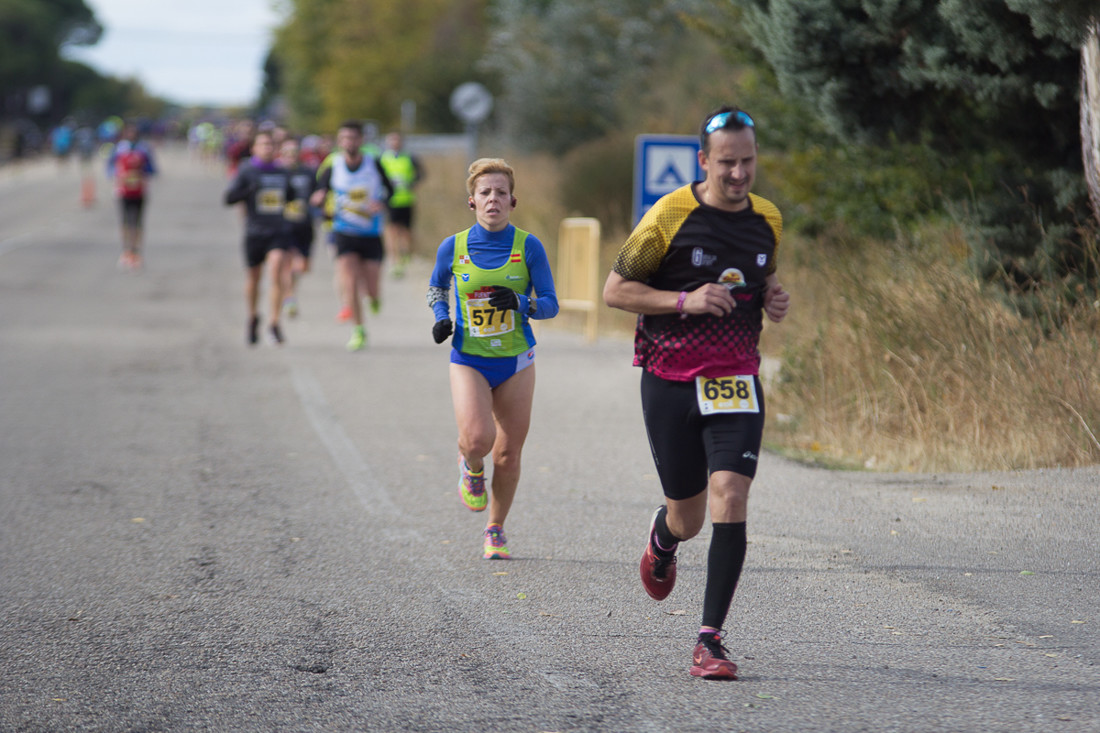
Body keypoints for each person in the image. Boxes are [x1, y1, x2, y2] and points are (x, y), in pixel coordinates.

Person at [603, 106, 790, 680]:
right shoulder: (670, 214)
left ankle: (710, 640)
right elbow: (616, 290)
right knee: (688, 517)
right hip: (670, 381)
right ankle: (663, 539)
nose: (739, 174)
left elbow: (763, 275)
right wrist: (684, 300)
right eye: (727, 163)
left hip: (735, 380)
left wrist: (775, 297)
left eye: (748, 161)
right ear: (704, 161)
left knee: (730, 494)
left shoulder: (768, 219)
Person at [427, 158, 560, 560]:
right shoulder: (454, 246)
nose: (493, 199)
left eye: (501, 193)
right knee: (479, 440)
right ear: (472, 201)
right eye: (485, 192)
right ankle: (469, 464)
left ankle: (495, 529)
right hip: (469, 357)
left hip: (517, 360)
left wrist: (520, 302)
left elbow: (552, 304)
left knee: (508, 453)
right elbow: (437, 287)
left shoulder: (528, 247)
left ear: (512, 201)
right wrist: (441, 318)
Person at [309, 120, 393, 351]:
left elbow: (391, 190)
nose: (349, 142)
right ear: (339, 141)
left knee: (372, 286)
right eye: (345, 138)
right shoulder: (333, 165)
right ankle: (359, 330)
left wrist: (382, 203)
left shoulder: (373, 163)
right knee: (349, 281)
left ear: (361, 140)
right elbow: (319, 192)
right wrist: (318, 201)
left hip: (371, 232)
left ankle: (375, 298)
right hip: (343, 231)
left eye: (353, 138)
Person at [224, 130, 294, 346]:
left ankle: (274, 323)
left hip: (278, 231)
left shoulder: (282, 172)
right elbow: (228, 198)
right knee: (254, 278)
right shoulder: (247, 171)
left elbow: (291, 196)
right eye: (263, 144)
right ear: (254, 148)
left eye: (271, 145)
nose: (268, 148)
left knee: (276, 271)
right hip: (255, 232)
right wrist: (249, 191)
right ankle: (253, 316)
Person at [106, 124, 157, 270]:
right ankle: (126, 251)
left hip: (140, 191)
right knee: (125, 222)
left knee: (138, 222)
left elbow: (152, 168)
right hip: (123, 191)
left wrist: (140, 174)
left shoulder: (144, 149)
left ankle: (136, 252)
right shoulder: (119, 149)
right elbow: (110, 166)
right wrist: (118, 176)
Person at [278, 137, 318, 319]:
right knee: (288, 264)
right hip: (284, 226)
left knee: (302, 267)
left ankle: (289, 292)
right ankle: (289, 298)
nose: (291, 157)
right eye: (287, 153)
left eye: (294, 153)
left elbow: (318, 195)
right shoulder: (277, 174)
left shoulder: (308, 173)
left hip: (305, 225)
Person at [379, 131, 423, 278]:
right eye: (392, 140)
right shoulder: (382, 159)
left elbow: (421, 174)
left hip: (407, 199)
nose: (395, 143)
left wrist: (412, 183)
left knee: (406, 232)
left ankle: (405, 255)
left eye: (397, 140)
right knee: (392, 231)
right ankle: (394, 261)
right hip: (390, 200)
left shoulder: (409, 157)